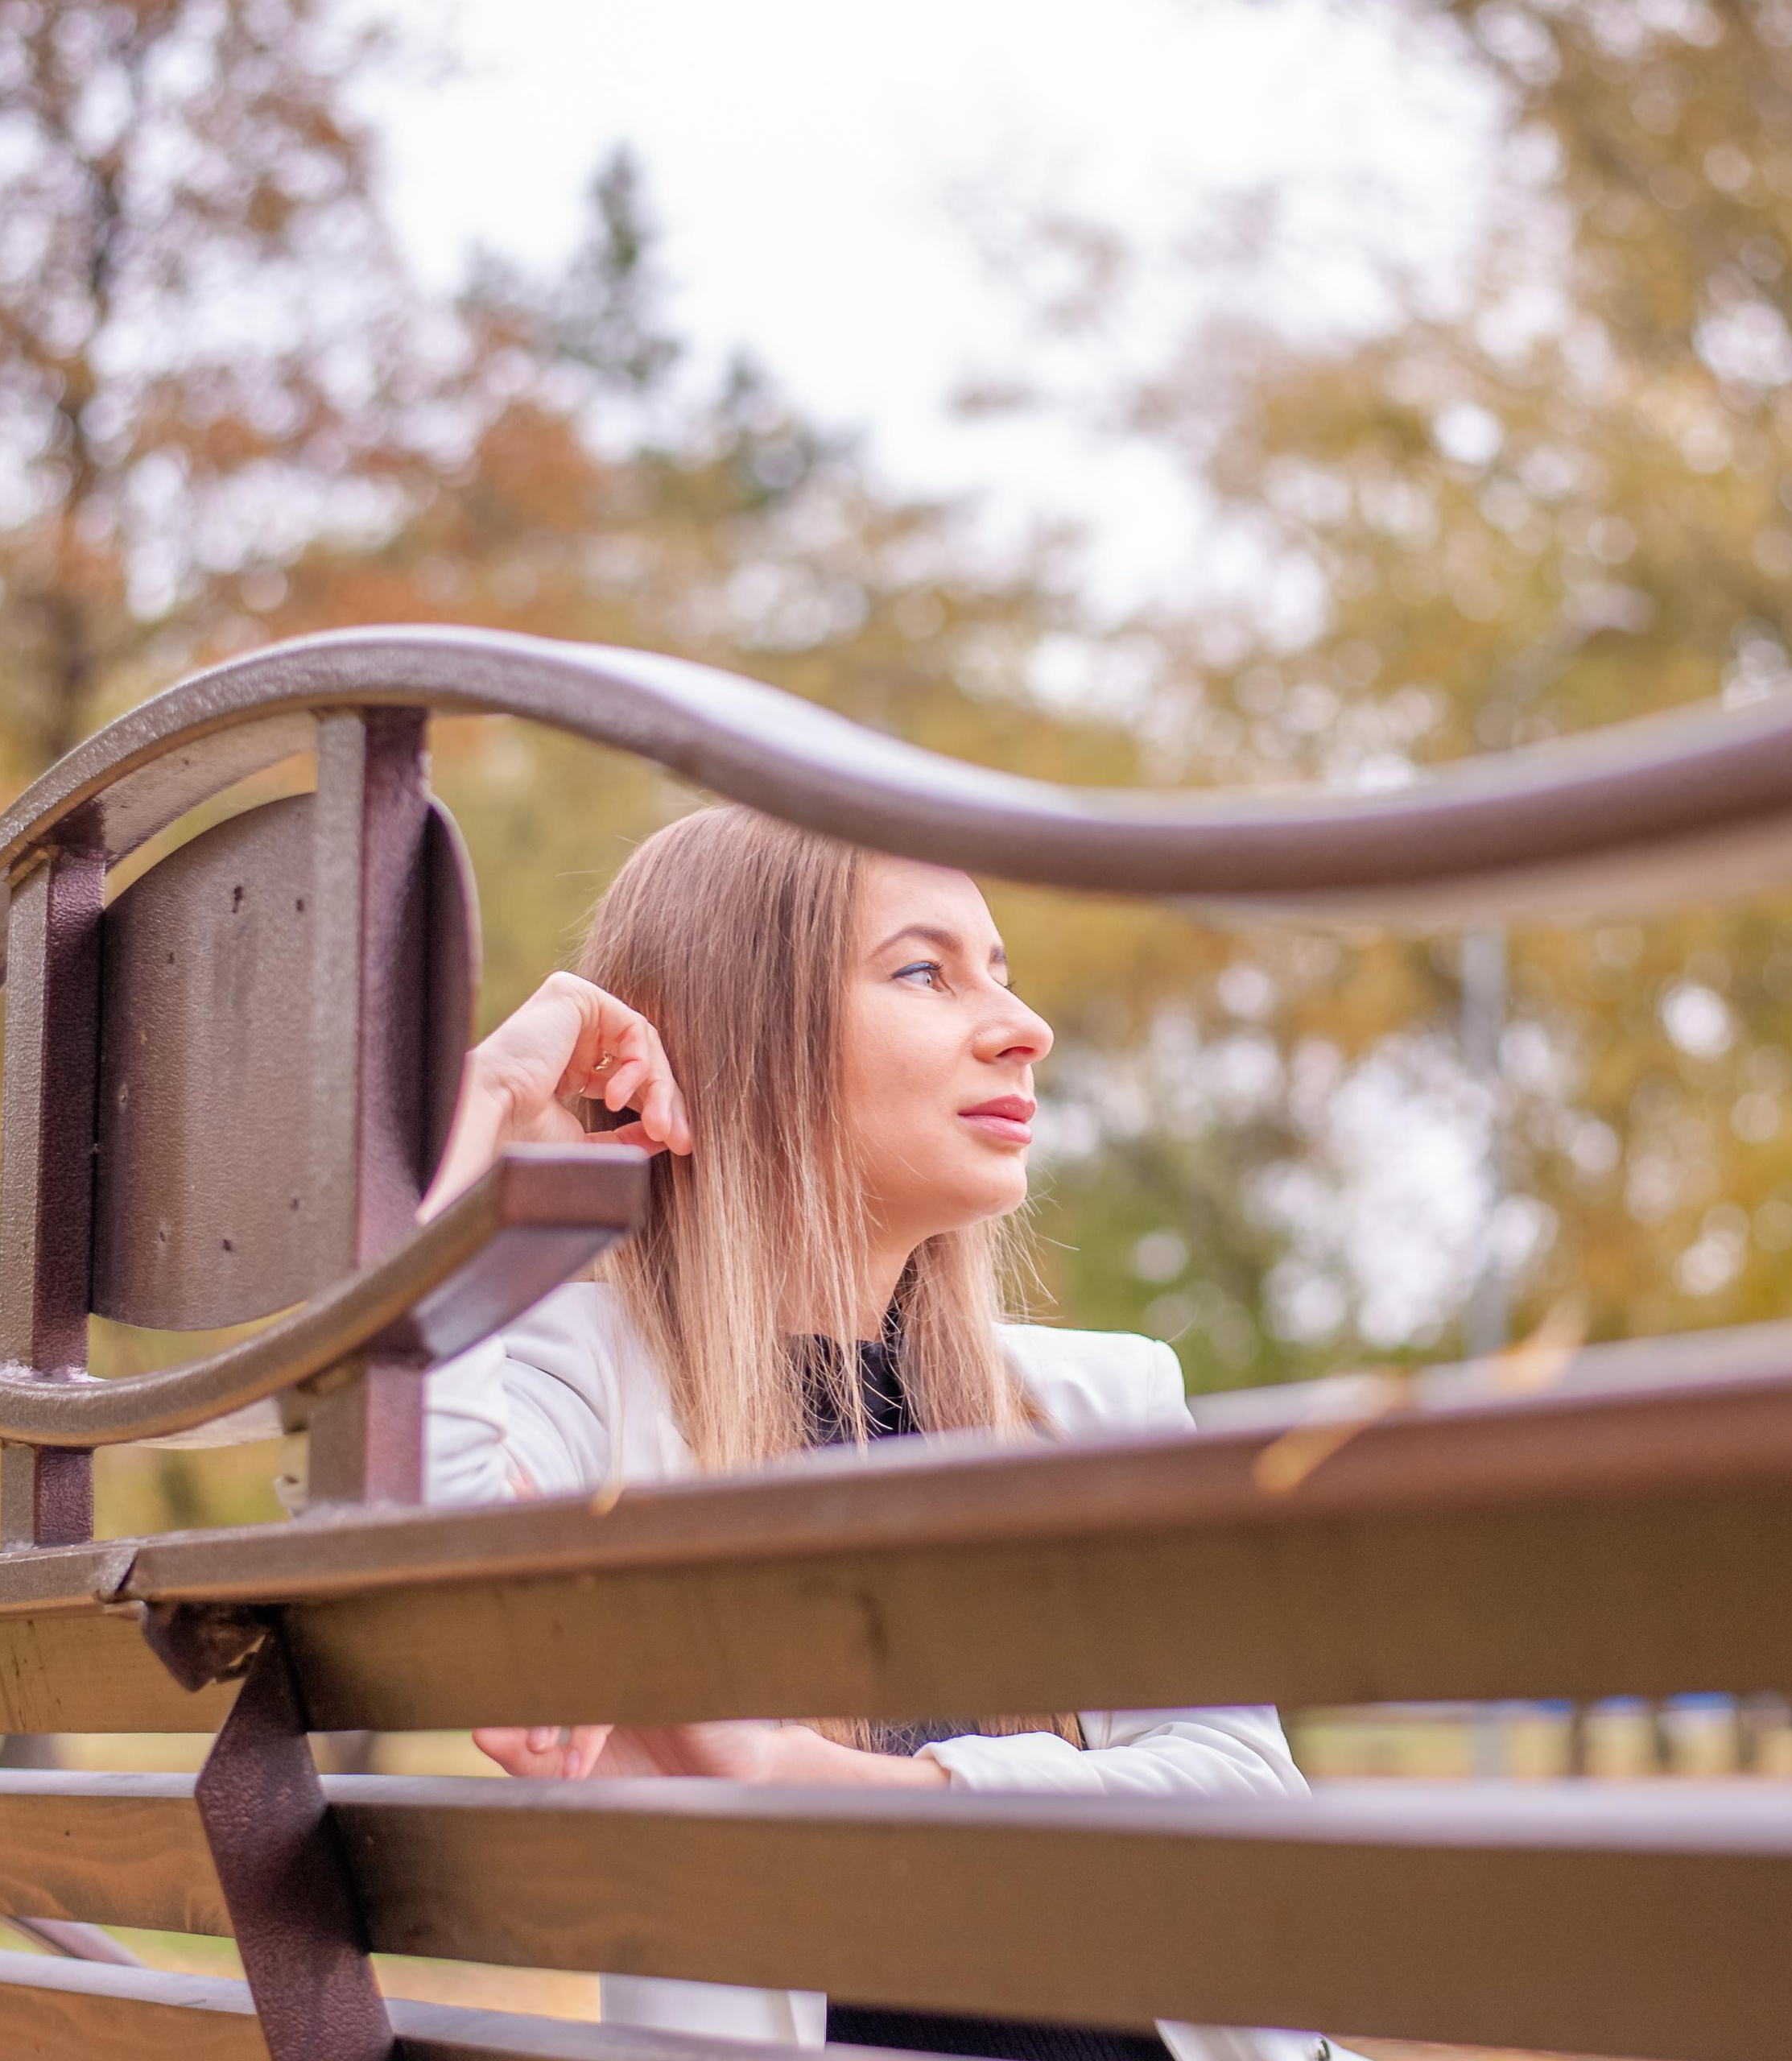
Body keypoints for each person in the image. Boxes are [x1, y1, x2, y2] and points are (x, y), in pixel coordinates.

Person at [417, 804, 1359, 2061]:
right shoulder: (580, 1382)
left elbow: (1244, 1803)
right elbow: (421, 1555)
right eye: (926, 971)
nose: (1026, 1030)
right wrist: (494, 1113)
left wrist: (824, 1786)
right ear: (736, 1038)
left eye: (1004, 976)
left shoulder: (1103, 1404)